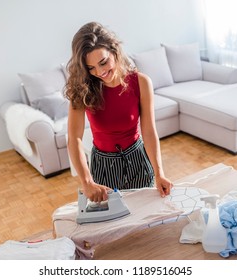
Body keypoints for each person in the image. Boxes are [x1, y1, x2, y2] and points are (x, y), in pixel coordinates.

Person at [64, 22, 172, 203]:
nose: (99, 72)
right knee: (112, 224)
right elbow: (74, 139)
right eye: (91, 68)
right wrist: (87, 181)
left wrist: (159, 173)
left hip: (138, 160)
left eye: (103, 62)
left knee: (143, 217)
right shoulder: (82, 89)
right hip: (104, 166)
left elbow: (149, 131)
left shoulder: (141, 82)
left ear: (114, 52)